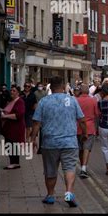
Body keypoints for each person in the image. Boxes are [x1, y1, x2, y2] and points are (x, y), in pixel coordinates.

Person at [31, 76, 87, 207]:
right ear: (63, 86)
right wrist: (85, 134)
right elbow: (82, 120)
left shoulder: (44, 102)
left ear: (50, 86)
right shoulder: (72, 100)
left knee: (50, 170)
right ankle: (68, 193)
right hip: (69, 142)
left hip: (50, 143)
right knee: (69, 168)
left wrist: (33, 139)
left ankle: (50, 195)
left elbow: (36, 122)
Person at [76, 84, 100, 178]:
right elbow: (97, 114)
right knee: (87, 148)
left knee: (80, 149)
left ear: (81, 91)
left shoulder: (76, 100)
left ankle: (82, 167)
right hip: (89, 128)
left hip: (78, 128)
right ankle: (83, 168)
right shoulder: (93, 100)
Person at [0, 86, 26, 170]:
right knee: (10, 145)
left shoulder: (20, 101)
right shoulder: (12, 101)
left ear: (18, 93)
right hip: (10, 128)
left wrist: (5, 116)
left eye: (14, 91)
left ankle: (14, 163)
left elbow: (19, 115)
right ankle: (14, 162)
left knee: (11, 145)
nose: (12, 92)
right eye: (11, 90)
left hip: (15, 128)